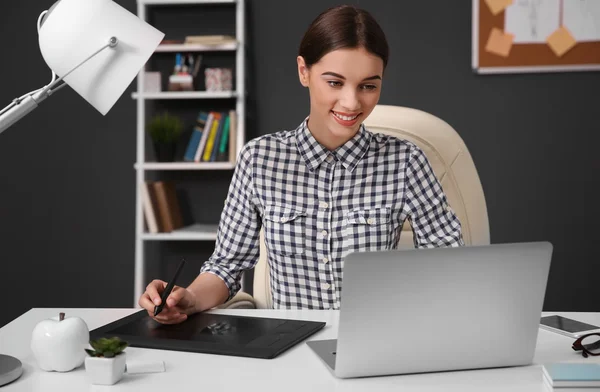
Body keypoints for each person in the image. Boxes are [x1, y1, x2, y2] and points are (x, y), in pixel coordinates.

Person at [139, 5, 464, 324]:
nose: (352, 102)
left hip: (373, 342)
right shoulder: (259, 160)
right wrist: (189, 299)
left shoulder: (406, 161)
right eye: (335, 82)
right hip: (288, 349)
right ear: (303, 71)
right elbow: (227, 265)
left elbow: (450, 264)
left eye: (368, 86)